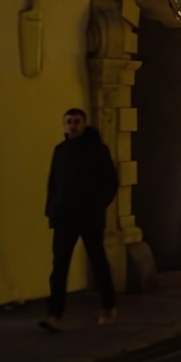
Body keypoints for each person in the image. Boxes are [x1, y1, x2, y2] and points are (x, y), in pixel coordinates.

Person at [41, 109, 120, 331]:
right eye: (69, 121)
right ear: (64, 125)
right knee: (60, 267)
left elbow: (111, 182)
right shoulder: (60, 151)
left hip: (89, 217)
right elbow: (54, 183)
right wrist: (52, 212)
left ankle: (108, 306)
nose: (72, 125)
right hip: (65, 217)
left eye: (76, 121)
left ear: (84, 124)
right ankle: (54, 314)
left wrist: (97, 205)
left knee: (97, 263)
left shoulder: (97, 150)